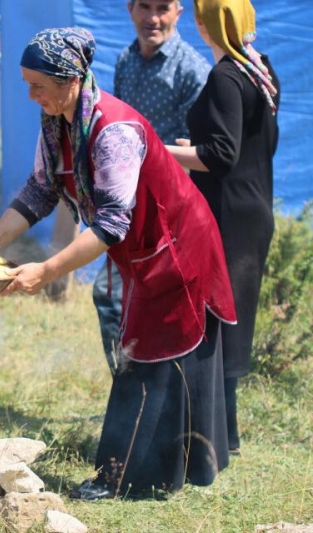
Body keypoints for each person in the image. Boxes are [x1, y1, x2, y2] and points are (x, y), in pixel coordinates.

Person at [0, 27, 236, 499]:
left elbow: (112, 223)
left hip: (175, 247)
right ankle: (176, 467)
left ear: (72, 80)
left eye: (39, 86)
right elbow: (39, 191)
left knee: (147, 358)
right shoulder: (59, 121)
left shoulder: (112, 130)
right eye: (27, 84)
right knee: (149, 356)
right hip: (142, 249)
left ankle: (128, 480)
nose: (31, 96)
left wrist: (46, 271)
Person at [166, 0, 280, 456]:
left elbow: (220, 155)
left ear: (203, 24)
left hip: (228, 214)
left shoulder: (225, 76)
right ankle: (225, 433)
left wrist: (161, 150)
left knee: (218, 318)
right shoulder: (259, 67)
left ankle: (217, 436)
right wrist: (194, 146)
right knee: (234, 318)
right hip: (253, 206)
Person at [93, 0, 210, 375]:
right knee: (112, 298)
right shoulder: (126, 60)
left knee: (152, 305)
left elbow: (198, 155)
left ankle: (152, 398)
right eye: (145, 6)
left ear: (179, 11)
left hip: (166, 210)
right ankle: (129, 388)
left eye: (163, 7)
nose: (153, 18)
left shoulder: (192, 71)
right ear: (130, 9)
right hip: (125, 203)